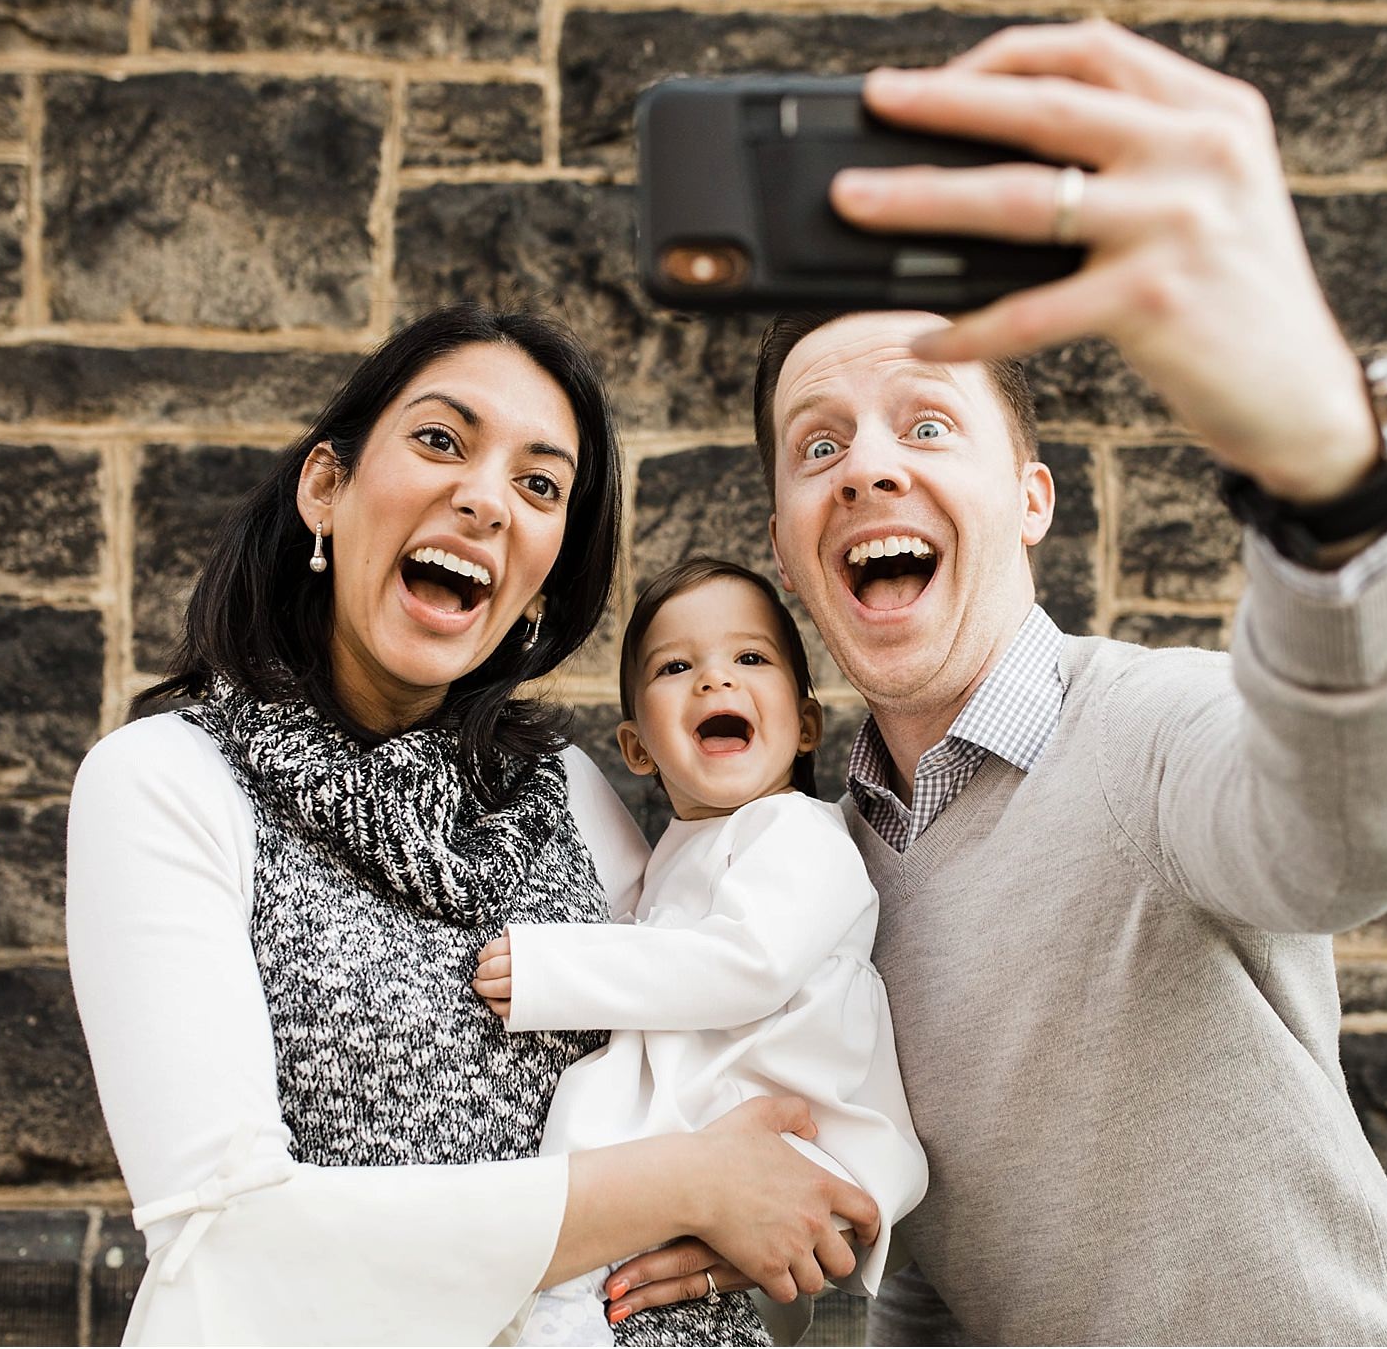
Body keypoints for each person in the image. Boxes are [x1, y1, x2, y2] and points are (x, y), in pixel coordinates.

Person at [598, 21, 1387, 1345]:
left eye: (929, 421)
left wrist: (1336, 484)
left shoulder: (1146, 729)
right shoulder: (829, 870)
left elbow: (1372, 824)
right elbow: (934, 1275)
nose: (868, 467)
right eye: (819, 442)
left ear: (1030, 500)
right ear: (790, 540)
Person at [65, 303, 880, 1347]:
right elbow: (226, 1236)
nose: (484, 499)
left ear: (543, 570)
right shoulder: (167, 784)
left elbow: (730, 1061)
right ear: (326, 486)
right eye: (442, 440)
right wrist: (678, 1182)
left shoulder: (573, 793)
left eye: (539, 484)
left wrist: (781, 1198)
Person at [473, 557, 928, 1347]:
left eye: (750, 658)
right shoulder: (674, 853)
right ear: (637, 746)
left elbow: (747, 964)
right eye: (677, 666)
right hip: (704, 1148)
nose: (715, 681)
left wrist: (556, 971)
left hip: (792, 1137)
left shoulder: (798, 832)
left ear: (806, 724)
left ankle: (552, 1298)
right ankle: (550, 1294)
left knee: (595, 1114)